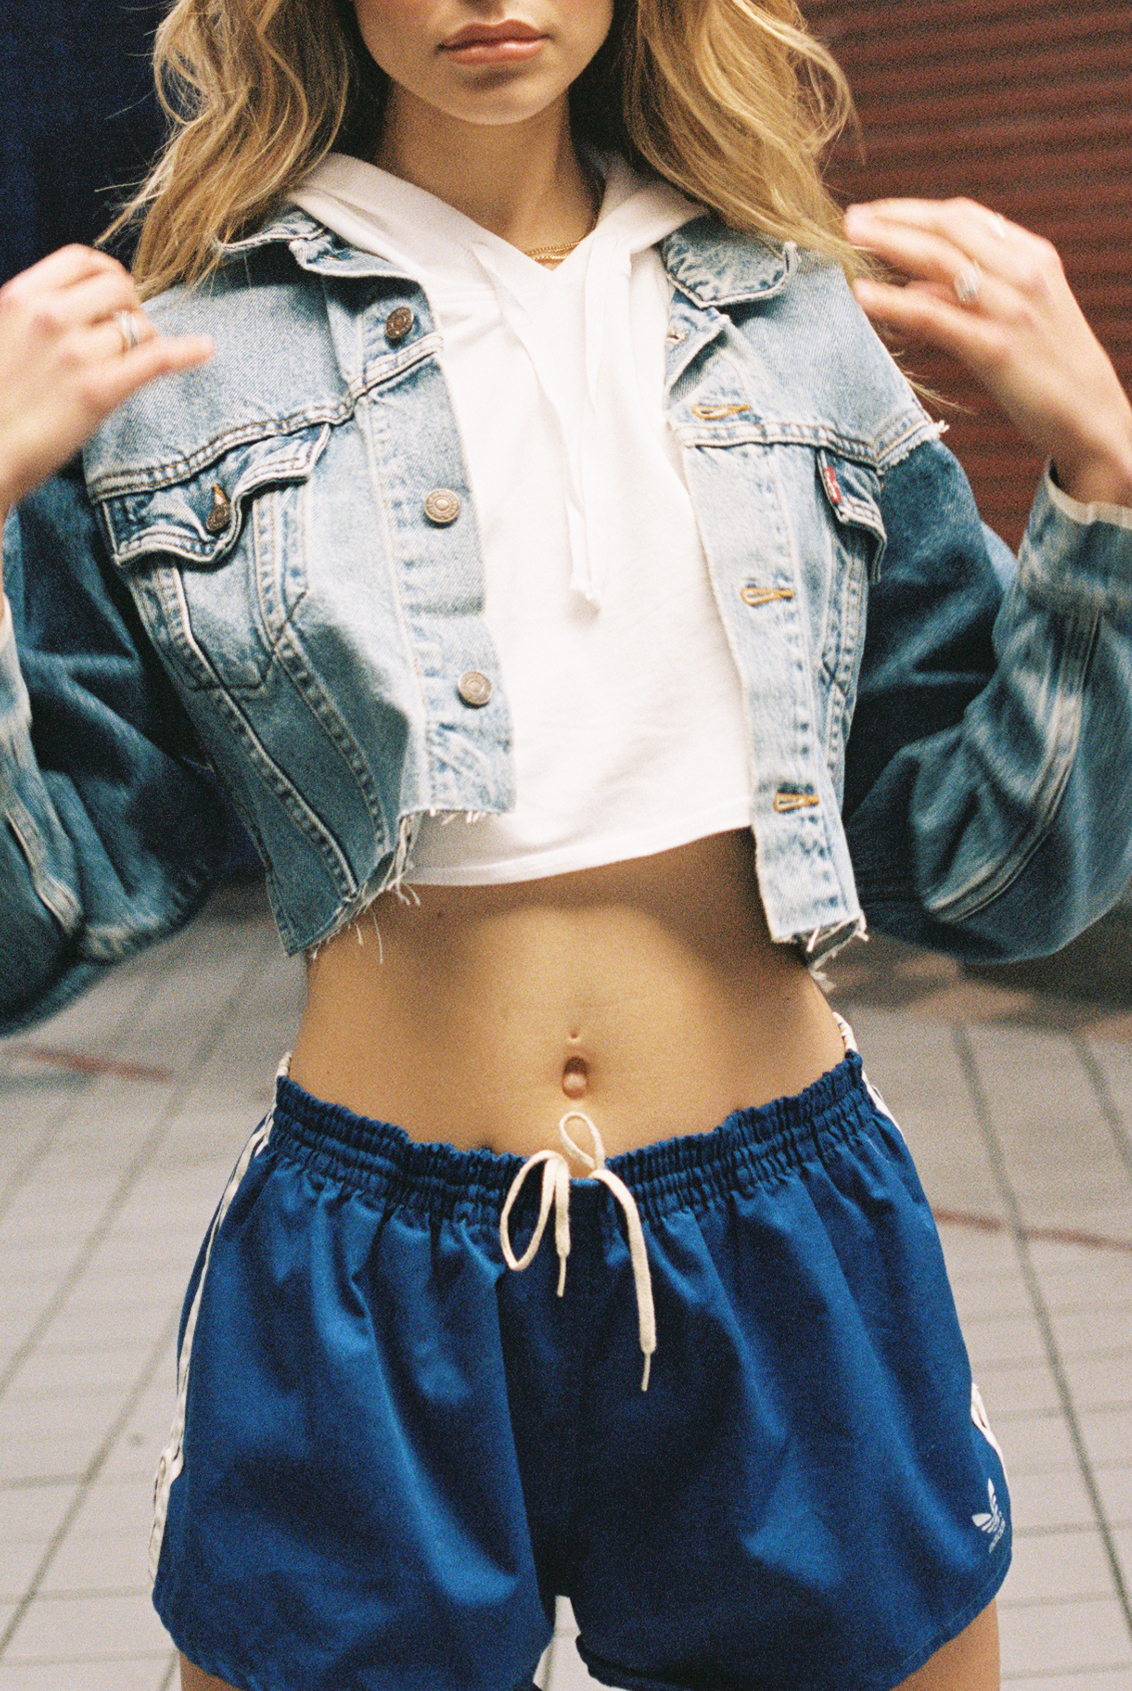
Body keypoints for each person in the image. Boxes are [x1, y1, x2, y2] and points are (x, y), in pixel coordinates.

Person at [1, 3, 1131, 1689]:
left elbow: (999, 873)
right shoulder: (174, 362)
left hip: (783, 1237)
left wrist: (1106, 482)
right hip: (369, 1273)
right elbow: (40, 918)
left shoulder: (795, 321)